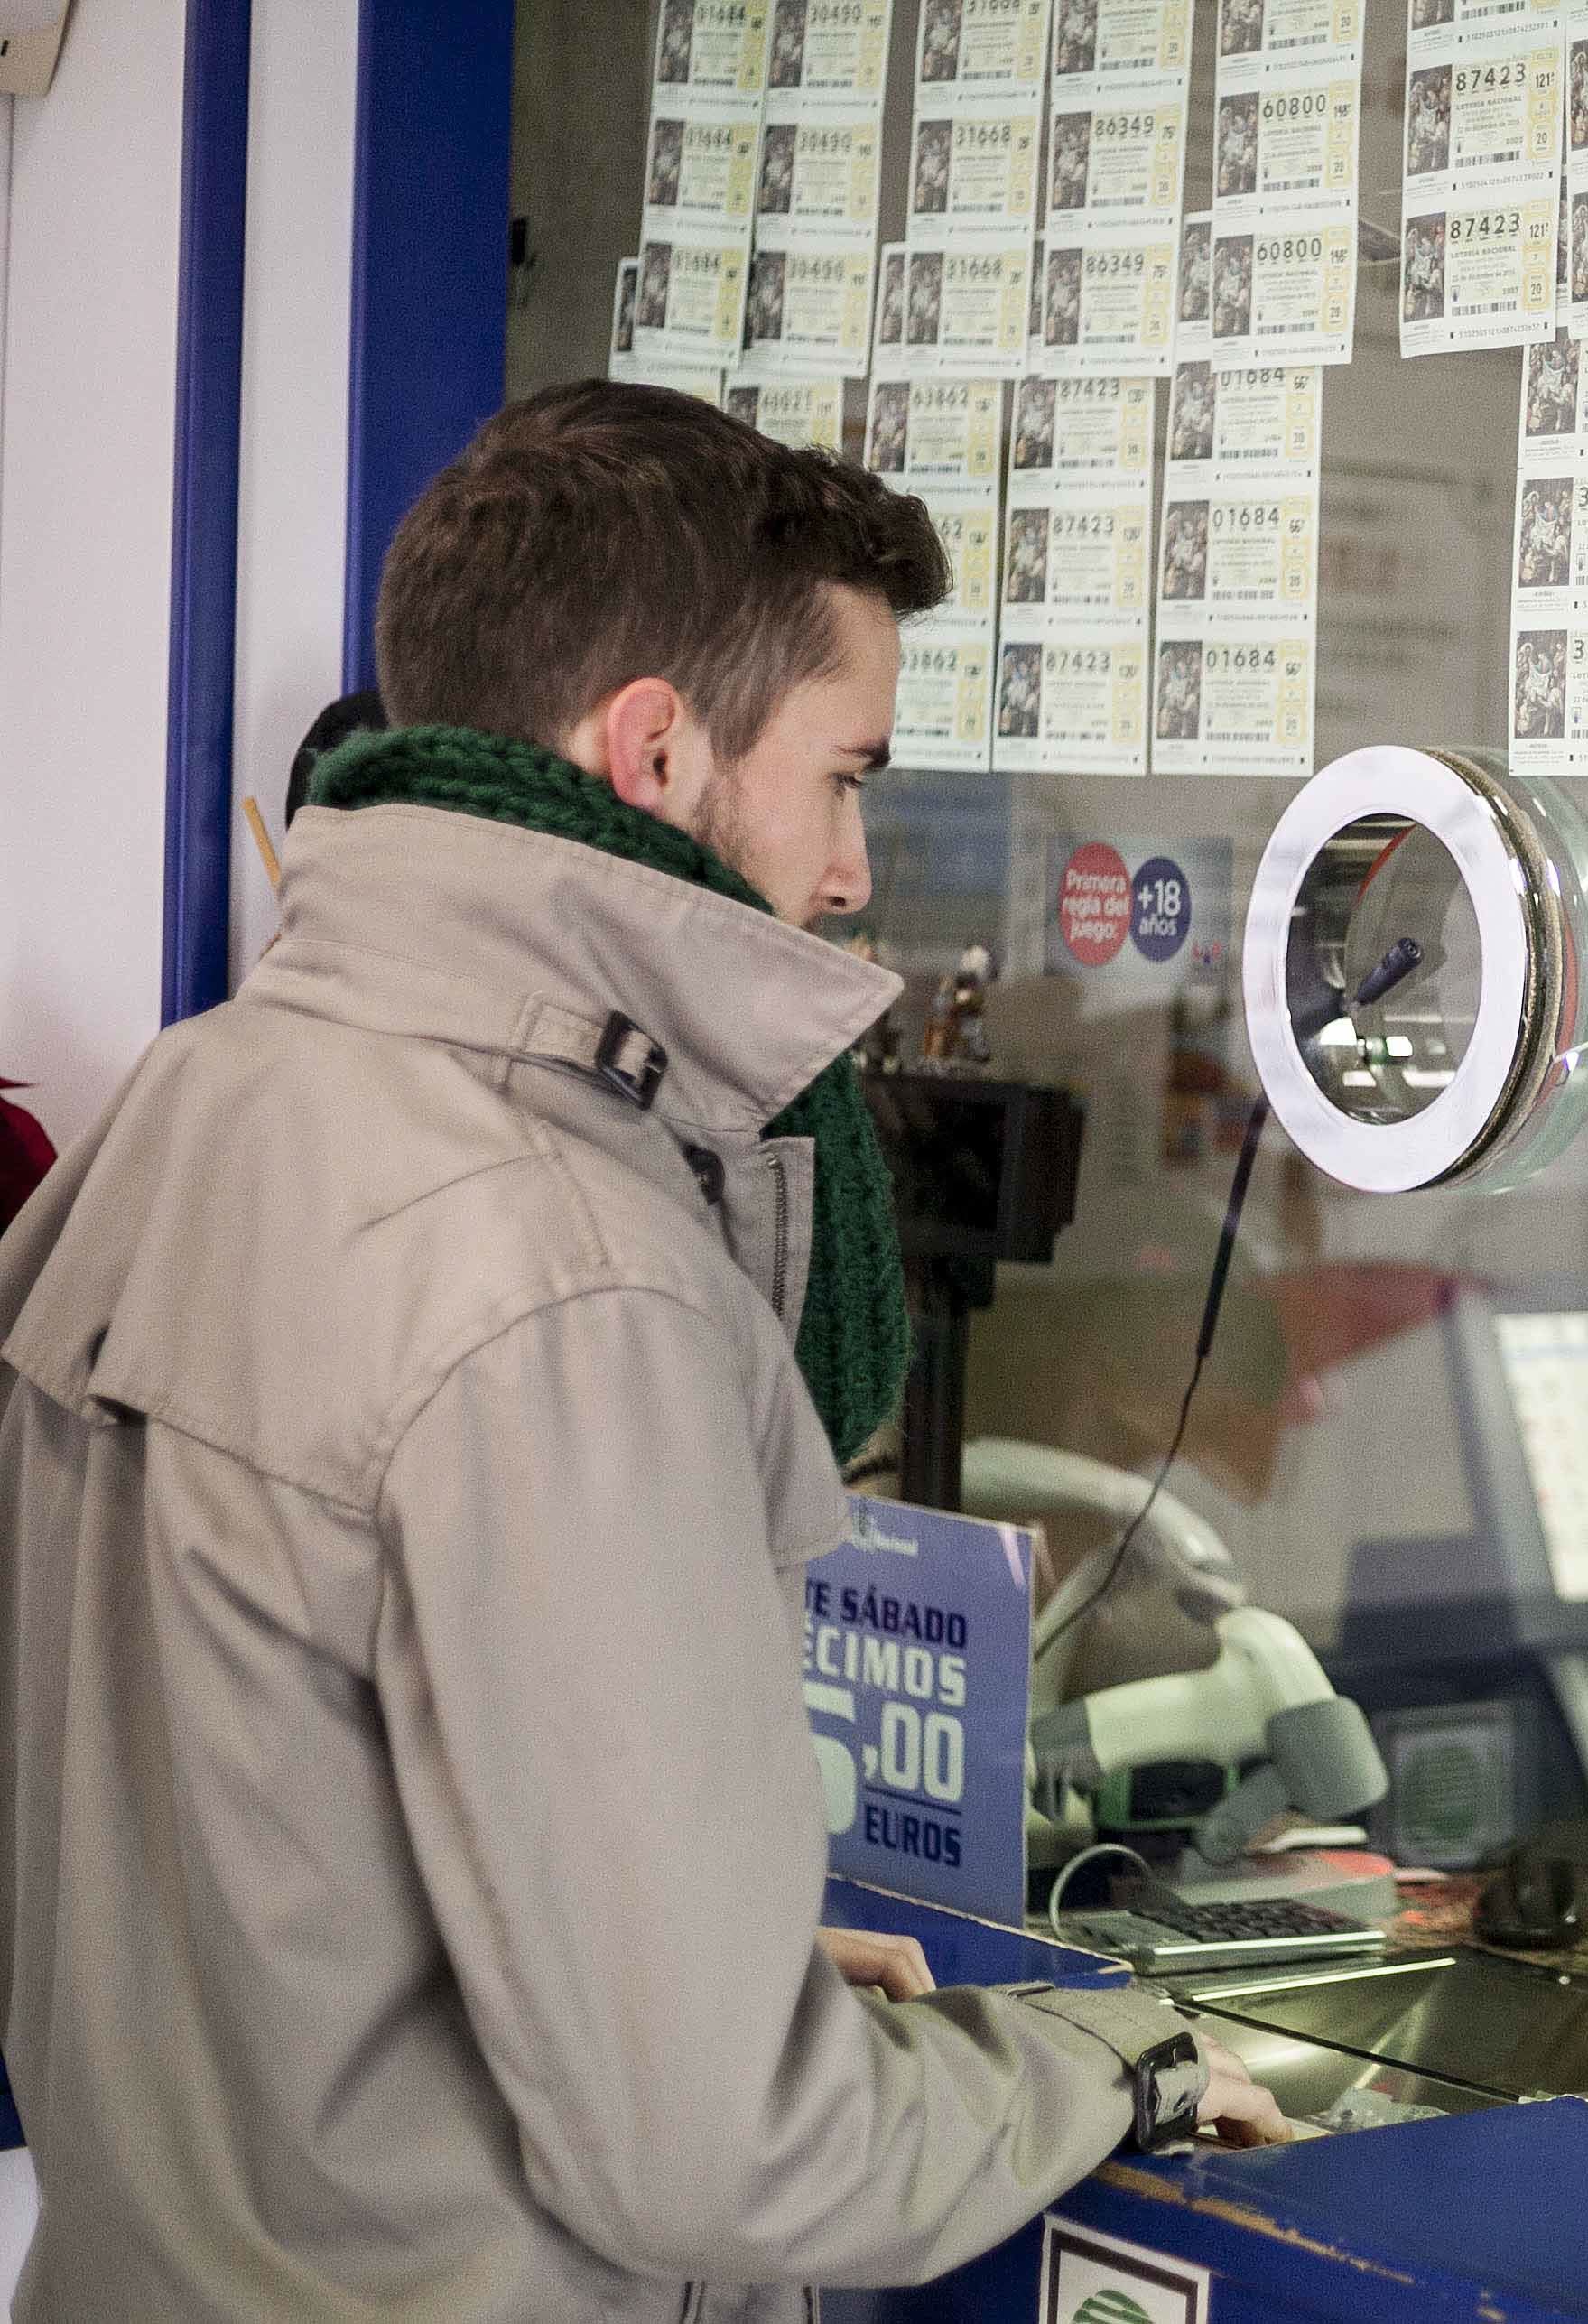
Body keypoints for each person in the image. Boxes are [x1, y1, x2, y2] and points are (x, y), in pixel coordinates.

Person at [0, 381, 1282, 2324]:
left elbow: (244, 1843)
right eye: (843, 777)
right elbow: (725, 2154)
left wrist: (673, 1979)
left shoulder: (193, 1102)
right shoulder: (574, 1278)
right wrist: (1100, 2057)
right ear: (656, 747)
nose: (852, 872)